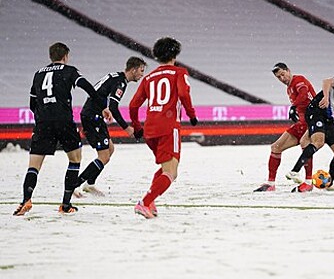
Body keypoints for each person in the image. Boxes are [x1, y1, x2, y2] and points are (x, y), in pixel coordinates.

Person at [13, 42, 112, 216]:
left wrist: (43, 116)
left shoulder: (38, 74)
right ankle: (65, 204)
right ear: (65, 56)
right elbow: (88, 87)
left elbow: (32, 103)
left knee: (34, 166)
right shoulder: (69, 71)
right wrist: (102, 105)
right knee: (74, 160)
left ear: (51, 57)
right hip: (64, 121)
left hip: (43, 123)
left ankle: (26, 200)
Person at [129, 37, 198, 219]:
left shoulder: (149, 78)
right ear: (175, 54)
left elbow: (133, 105)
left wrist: (137, 126)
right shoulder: (179, 72)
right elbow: (184, 93)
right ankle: (145, 202)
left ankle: (150, 203)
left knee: (165, 167)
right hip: (169, 127)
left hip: (150, 129)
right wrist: (191, 114)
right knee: (171, 172)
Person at [74, 57, 146, 197]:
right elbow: (113, 107)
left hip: (95, 115)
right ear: (133, 69)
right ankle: (75, 185)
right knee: (104, 156)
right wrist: (126, 128)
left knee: (110, 149)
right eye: (141, 71)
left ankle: (89, 184)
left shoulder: (116, 77)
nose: (142, 75)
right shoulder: (120, 83)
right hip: (92, 117)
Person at [254, 63, 317, 193]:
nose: (282, 78)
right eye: (278, 77)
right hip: (301, 123)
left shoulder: (298, 80)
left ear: (289, 70)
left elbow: (304, 93)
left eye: (283, 74)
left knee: (306, 147)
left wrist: (294, 106)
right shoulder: (288, 88)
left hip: (312, 121)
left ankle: (309, 182)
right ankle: (270, 184)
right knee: (276, 147)